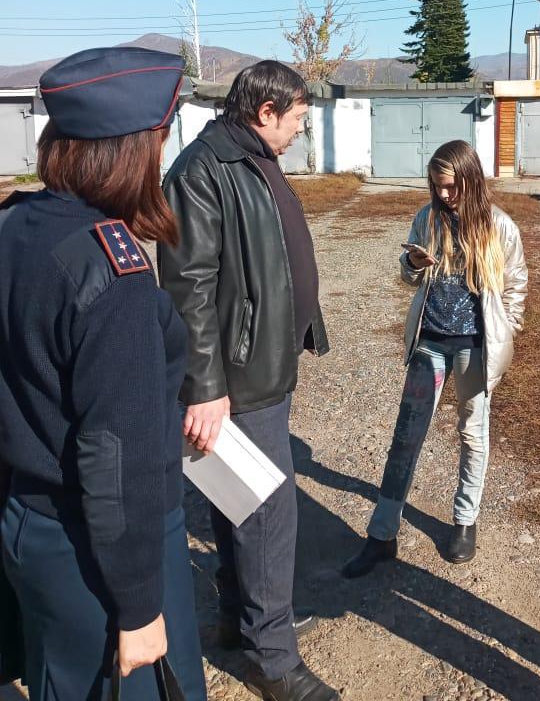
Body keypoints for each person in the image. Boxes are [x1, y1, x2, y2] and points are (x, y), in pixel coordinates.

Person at [0, 47, 207, 701]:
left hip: (26, 519)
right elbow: (118, 453)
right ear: (134, 149)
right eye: (161, 140)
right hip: (99, 547)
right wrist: (142, 607)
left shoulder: (17, 224)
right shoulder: (109, 269)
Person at [159, 60, 336, 701]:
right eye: (296, 120)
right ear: (266, 112)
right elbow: (187, 286)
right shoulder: (206, 171)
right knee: (266, 511)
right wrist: (205, 386)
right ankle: (273, 657)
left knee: (238, 500)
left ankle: (243, 621)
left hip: (259, 367)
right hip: (236, 377)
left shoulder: (251, 158)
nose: (299, 133)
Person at [344, 139, 527, 577]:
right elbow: (409, 277)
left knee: (472, 433)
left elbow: (516, 285)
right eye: (436, 186)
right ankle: (382, 535)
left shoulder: (501, 227)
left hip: (473, 348)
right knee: (407, 435)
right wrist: (410, 262)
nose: (443, 195)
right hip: (430, 342)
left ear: (470, 178)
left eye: (450, 186)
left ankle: (464, 521)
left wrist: (506, 330)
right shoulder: (426, 219)